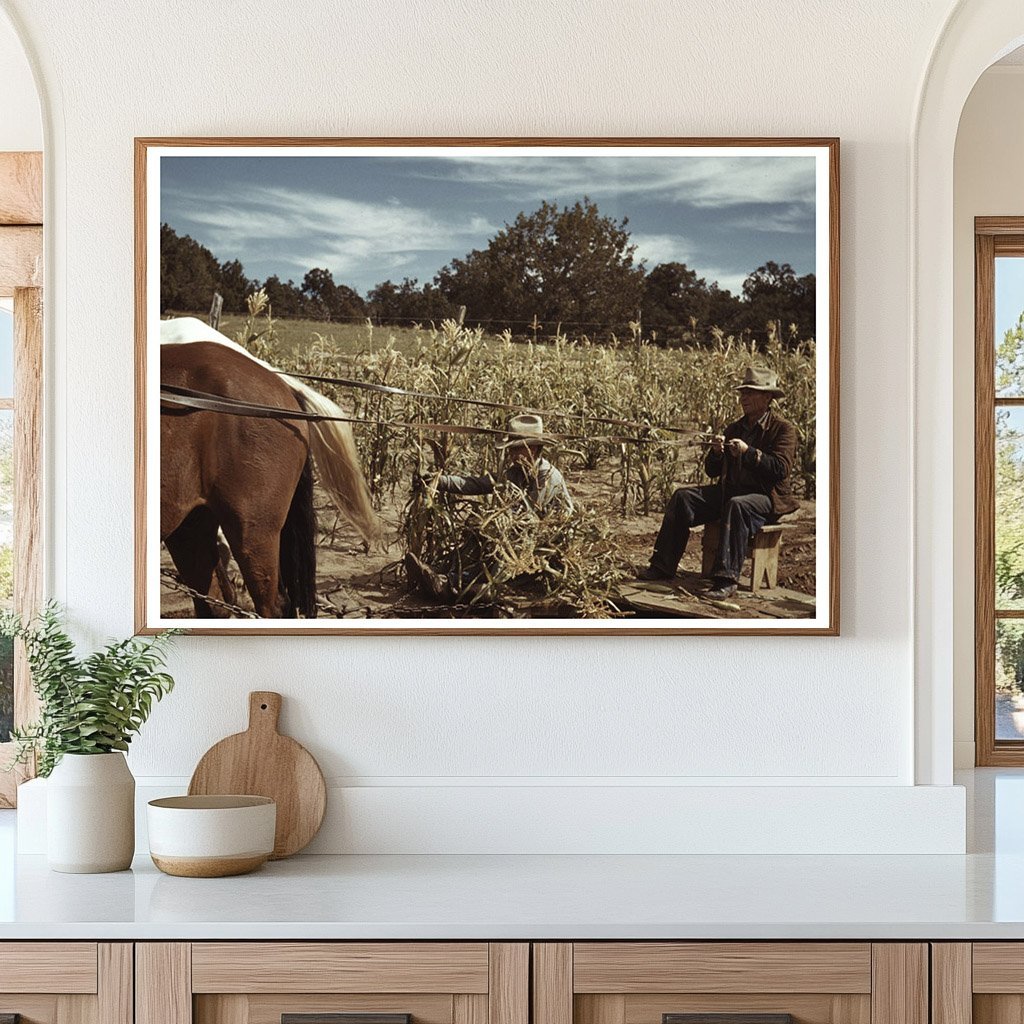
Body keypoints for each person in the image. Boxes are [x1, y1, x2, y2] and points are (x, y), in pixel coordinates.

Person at [639, 366, 798, 599]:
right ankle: (662, 566)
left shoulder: (783, 429)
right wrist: (716, 452)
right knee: (683, 498)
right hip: (731, 492)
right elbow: (712, 471)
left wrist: (749, 452)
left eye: (750, 393)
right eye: (742, 393)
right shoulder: (735, 428)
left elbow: (780, 469)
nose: (743, 398)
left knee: (738, 504)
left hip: (766, 498)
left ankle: (725, 579)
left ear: (767, 397)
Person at [406, 414, 574, 599]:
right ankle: (448, 575)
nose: (510, 455)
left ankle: (458, 588)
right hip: (522, 534)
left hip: (546, 541)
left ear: (532, 448)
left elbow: (529, 517)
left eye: (515, 450)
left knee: (499, 547)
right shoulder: (516, 473)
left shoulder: (547, 476)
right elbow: (476, 484)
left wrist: (494, 520)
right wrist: (439, 481)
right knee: (476, 535)